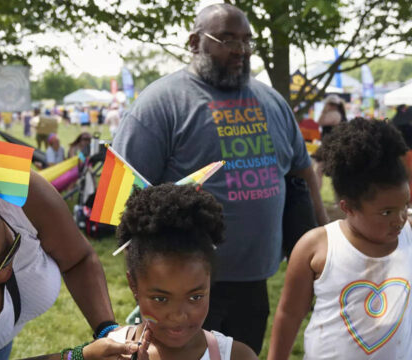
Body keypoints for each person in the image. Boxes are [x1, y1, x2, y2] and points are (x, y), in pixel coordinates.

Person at [112, 3, 328, 354]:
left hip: (253, 281)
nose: (241, 50)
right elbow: (122, 191)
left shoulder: (272, 102)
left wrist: (323, 239)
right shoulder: (160, 104)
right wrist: (145, 281)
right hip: (181, 287)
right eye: (227, 39)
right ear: (195, 42)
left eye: (247, 41)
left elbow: (302, 170)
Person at [0, 122, 140, 359]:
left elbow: (78, 259)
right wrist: (78, 357)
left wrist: (107, 330)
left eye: (9, 249)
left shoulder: (13, 187)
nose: (5, 273)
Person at [268, 118, 412, 359]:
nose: (398, 218)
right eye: (386, 212)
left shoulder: (408, 233)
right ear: (348, 208)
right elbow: (289, 314)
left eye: (405, 205)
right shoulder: (317, 247)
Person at [108, 183, 258, 360]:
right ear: (133, 284)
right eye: (161, 299)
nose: (178, 316)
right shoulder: (110, 352)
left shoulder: (237, 356)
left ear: (209, 281)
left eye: (195, 297)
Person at [315, 94, 347, 190]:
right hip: (331, 145)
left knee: (321, 171)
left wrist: (323, 112)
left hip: (330, 146)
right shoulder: (339, 114)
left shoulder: (334, 114)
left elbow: (320, 122)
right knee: (322, 171)